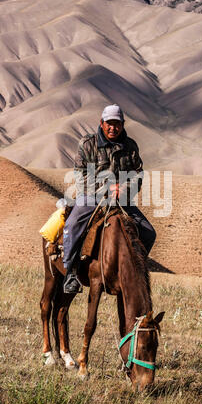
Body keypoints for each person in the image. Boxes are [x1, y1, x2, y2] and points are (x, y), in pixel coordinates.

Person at [62, 104, 156, 294]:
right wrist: (104, 189)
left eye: (117, 124)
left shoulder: (130, 146)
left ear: (122, 124)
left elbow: (137, 174)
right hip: (91, 198)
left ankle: (133, 272)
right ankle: (70, 274)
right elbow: (80, 175)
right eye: (109, 123)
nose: (113, 128)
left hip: (121, 200)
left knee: (148, 232)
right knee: (72, 226)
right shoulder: (88, 144)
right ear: (101, 123)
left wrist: (124, 189)